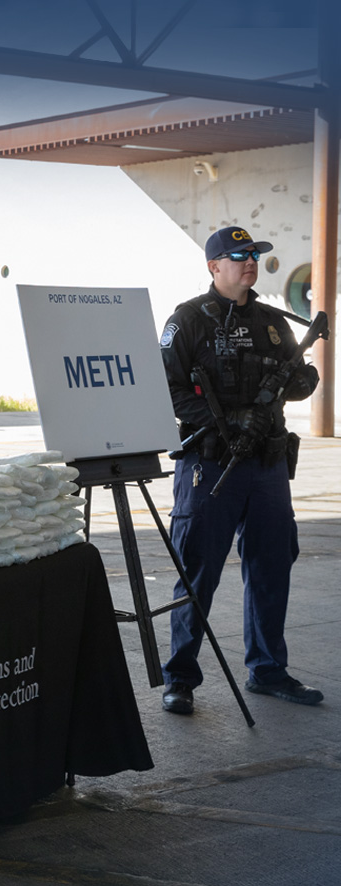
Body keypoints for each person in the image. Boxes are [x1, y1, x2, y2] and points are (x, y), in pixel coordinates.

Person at [158, 225, 322, 715]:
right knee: (198, 572)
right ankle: (180, 678)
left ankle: (268, 670)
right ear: (214, 266)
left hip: (268, 466)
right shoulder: (187, 320)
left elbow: (298, 383)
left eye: (253, 254)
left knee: (271, 566)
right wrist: (226, 419)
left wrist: (302, 380)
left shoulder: (274, 321)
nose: (249, 262)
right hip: (211, 466)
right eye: (238, 255)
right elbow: (166, 390)